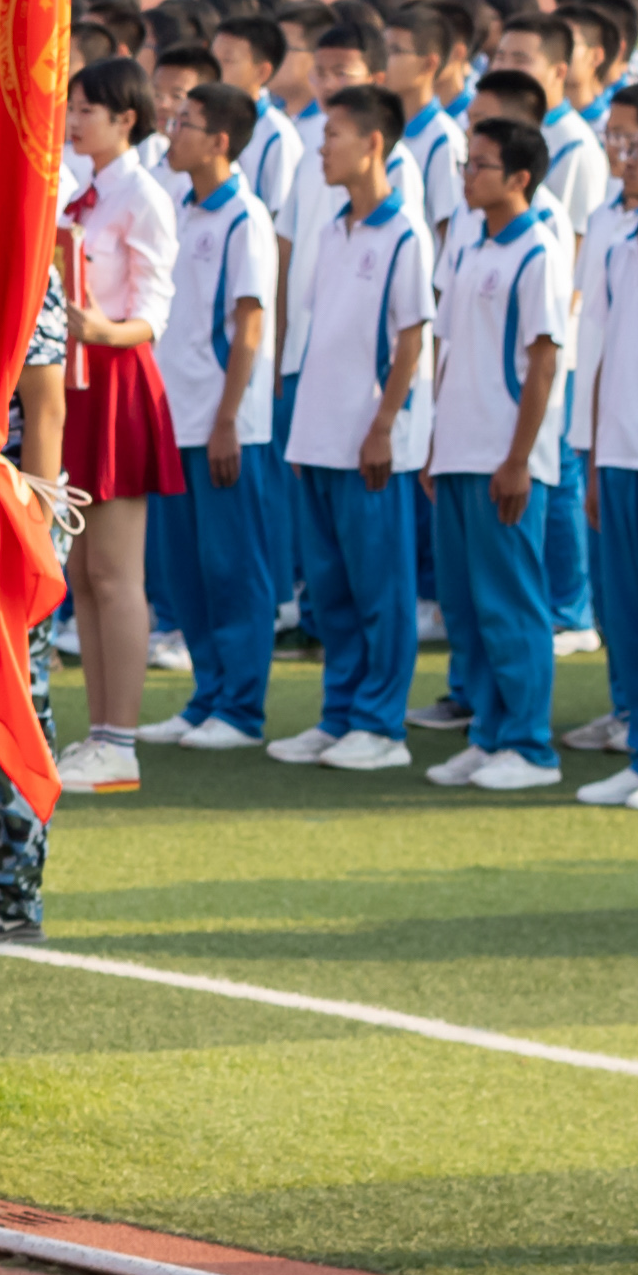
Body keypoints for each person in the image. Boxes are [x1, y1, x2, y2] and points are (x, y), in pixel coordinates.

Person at [274, 85, 436, 770]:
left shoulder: (404, 234)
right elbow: (325, 331)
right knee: (331, 589)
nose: (320, 147)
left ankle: (381, 725)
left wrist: (382, 426)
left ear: (372, 143)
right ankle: (339, 713)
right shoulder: (331, 227)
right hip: (318, 433)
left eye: (333, 135)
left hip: (370, 442)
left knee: (381, 591)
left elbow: (409, 338)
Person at [425, 111, 571, 791]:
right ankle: (487, 731)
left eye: (478, 166)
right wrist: (432, 442)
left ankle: (529, 744)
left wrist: (518, 458)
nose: (466, 177)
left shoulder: (535, 251)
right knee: (466, 604)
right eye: (464, 165)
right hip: (457, 449)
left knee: (510, 602)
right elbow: (452, 353)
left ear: (518, 177)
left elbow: (542, 362)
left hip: (503, 457)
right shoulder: (472, 247)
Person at [53, 60, 184, 792]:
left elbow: (153, 313)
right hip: (75, 382)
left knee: (113, 572)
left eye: (88, 110)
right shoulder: (85, 191)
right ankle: (100, 733)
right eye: (72, 108)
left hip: (116, 382)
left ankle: (119, 740)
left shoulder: (143, 196)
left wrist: (103, 329)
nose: (74, 122)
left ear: (125, 118)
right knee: (82, 572)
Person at [148, 82, 282, 751]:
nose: (172, 131)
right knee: (184, 569)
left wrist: (228, 417)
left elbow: (248, 323)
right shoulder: (176, 202)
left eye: (185, 123)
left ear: (219, 141)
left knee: (233, 567)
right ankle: (205, 695)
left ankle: (241, 708)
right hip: (173, 415)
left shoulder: (244, 219)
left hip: (224, 423)